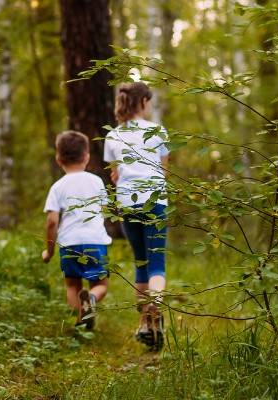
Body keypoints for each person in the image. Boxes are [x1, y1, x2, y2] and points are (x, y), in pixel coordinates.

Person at [103, 82, 170, 351]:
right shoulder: (157, 131)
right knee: (157, 264)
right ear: (143, 101)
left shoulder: (113, 136)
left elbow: (115, 175)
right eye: (149, 101)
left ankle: (145, 324)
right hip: (154, 202)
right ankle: (155, 309)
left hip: (128, 204)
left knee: (140, 262)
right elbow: (165, 172)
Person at [41, 131, 112, 329]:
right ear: (87, 156)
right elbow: (104, 210)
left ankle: (81, 320)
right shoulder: (96, 181)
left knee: (72, 286)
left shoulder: (58, 187)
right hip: (95, 241)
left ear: (58, 159)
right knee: (101, 284)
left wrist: (49, 251)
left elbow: (51, 222)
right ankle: (91, 298)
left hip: (69, 243)